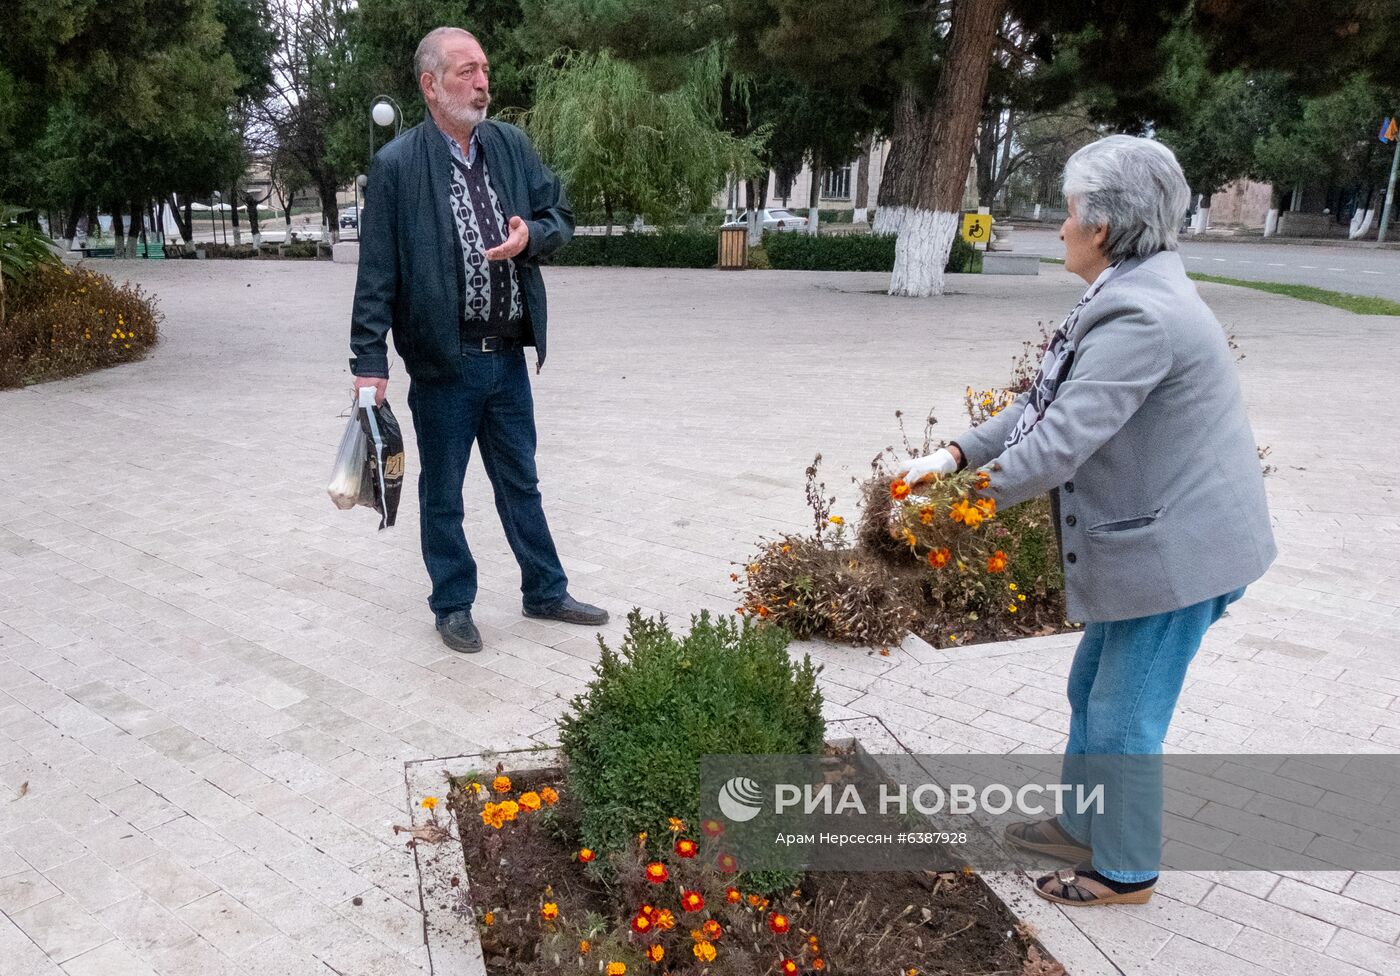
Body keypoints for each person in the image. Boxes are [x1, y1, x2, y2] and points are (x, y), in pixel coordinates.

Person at [896, 135, 1275, 906]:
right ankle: (1081, 824)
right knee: (1091, 693)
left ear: (1100, 227)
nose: (1060, 228)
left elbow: (1060, 444)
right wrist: (956, 455)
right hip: (1153, 543)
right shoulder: (1131, 286)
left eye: (1068, 213)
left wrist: (954, 511)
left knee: (1124, 718)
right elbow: (1047, 406)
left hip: (1177, 558)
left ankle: (1123, 869)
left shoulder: (1140, 311)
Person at [348, 26, 608, 653]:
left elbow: (559, 216)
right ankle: (453, 604)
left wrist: (531, 237)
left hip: (508, 357)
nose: (482, 82)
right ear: (429, 84)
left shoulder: (510, 146)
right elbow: (377, 272)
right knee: (443, 492)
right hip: (445, 362)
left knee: (521, 481)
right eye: (466, 71)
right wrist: (368, 360)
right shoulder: (396, 166)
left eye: (484, 69)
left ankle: (544, 590)